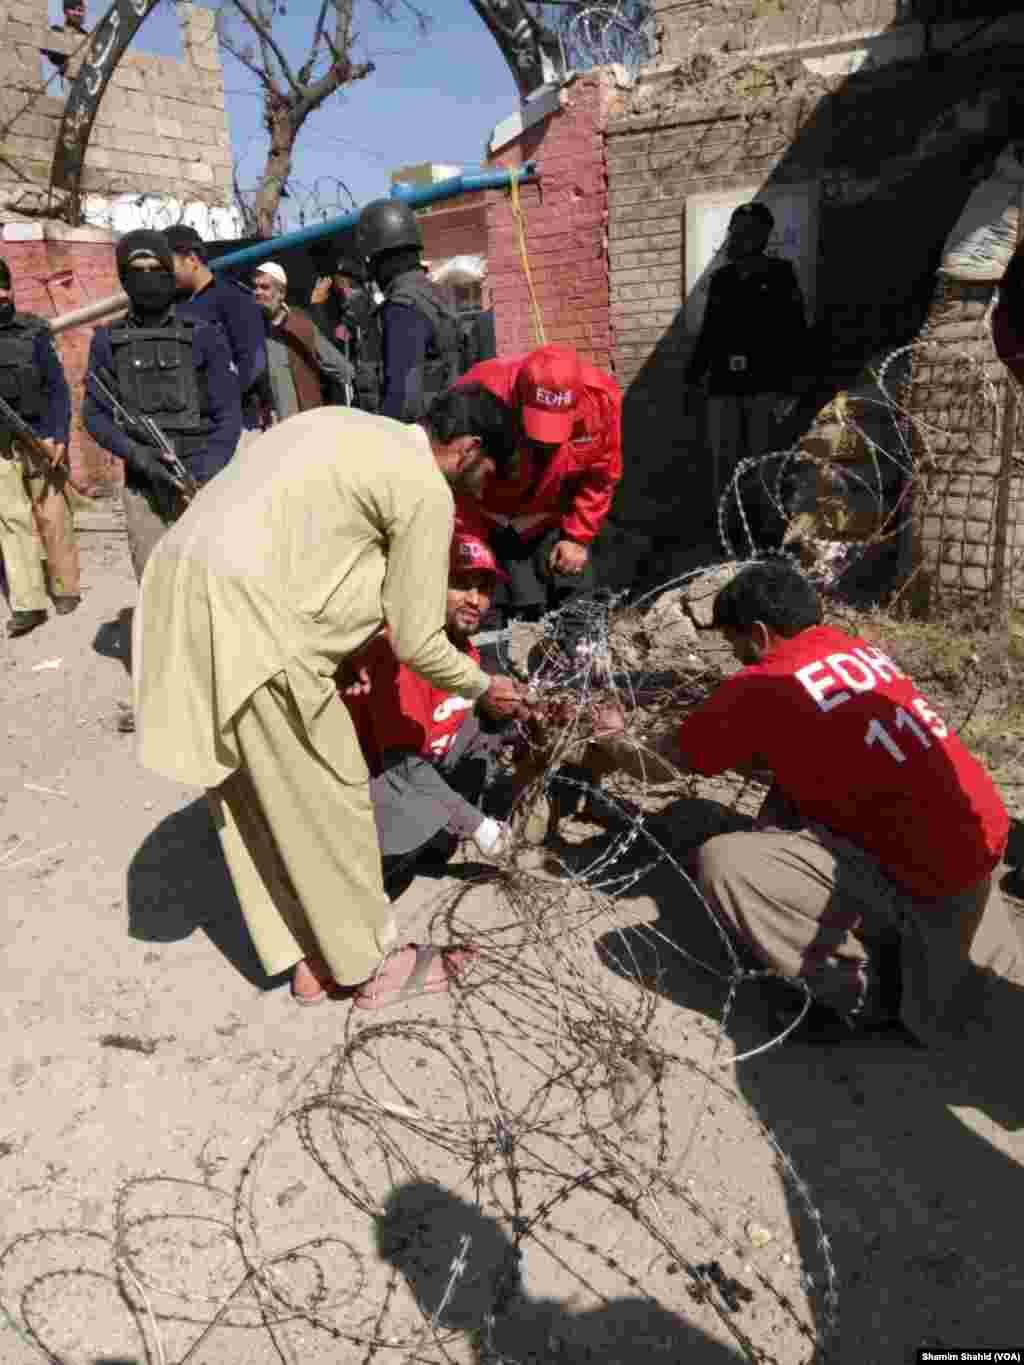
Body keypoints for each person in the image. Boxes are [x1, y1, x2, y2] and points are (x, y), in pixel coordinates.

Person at [133, 386, 528, 1010]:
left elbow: (311, 541)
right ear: (469, 449)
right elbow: (419, 639)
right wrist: (485, 685)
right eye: (486, 475)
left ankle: (312, 957)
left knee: (257, 798)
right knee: (332, 791)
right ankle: (368, 965)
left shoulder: (341, 423)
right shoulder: (425, 486)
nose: (482, 491)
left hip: (176, 592)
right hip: (252, 618)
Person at [592, 560, 1021, 1049]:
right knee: (787, 794)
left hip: (918, 875)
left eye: (738, 648)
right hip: (974, 847)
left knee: (726, 864)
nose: (738, 662)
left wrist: (614, 738)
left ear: (758, 632)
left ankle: (868, 991)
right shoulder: (858, 651)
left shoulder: (766, 683)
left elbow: (663, 764)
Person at [82, 229, 241, 731]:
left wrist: (206, 470)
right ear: (123, 277)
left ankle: (227, 688)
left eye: (157, 271)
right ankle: (166, 696)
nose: (148, 281)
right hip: (143, 487)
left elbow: (227, 414)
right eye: (137, 272)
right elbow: (95, 413)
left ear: (171, 274)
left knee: (212, 588)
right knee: (157, 592)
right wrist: (138, 456)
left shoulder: (203, 333)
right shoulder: (107, 341)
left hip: (200, 481)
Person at [344, 531, 514, 886]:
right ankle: (367, 868)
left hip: (418, 763)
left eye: (483, 589)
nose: (474, 599)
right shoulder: (401, 652)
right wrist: (476, 824)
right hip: (370, 776)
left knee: (489, 722)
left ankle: (433, 828)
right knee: (396, 859)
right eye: (461, 584)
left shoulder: (464, 652)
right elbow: (401, 764)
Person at [456, 343, 623, 652]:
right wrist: (470, 539)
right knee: (479, 600)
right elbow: (452, 473)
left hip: (547, 515)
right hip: (486, 515)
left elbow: (601, 476)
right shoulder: (479, 392)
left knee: (575, 587)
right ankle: (480, 678)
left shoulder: (601, 402)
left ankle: (575, 671)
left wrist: (578, 536)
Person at [684, 202, 810, 527]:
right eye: (733, 230)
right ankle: (728, 529)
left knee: (763, 462)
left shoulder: (780, 274)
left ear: (761, 236)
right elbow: (709, 332)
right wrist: (693, 378)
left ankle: (765, 531)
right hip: (724, 387)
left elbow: (795, 331)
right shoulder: (721, 279)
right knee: (724, 465)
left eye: (744, 231)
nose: (735, 237)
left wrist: (794, 387)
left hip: (765, 386)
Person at [0, 256, 78, 638]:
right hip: (0, 445)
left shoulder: (33, 332)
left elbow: (58, 389)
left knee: (52, 514)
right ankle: (28, 603)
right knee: (12, 521)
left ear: (10, 289)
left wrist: (58, 435)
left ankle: (66, 588)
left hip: (40, 437)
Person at [357, 199, 460, 422]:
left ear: (378, 258)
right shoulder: (436, 296)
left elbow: (403, 400)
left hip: (411, 442)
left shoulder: (402, 308)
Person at [165, 223, 268, 445]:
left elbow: (253, 361)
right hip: (191, 429)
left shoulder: (232, 298)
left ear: (191, 259)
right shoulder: (176, 306)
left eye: (169, 263)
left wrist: (221, 404)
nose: (165, 273)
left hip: (233, 425)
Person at [251, 262, 355, 421]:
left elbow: (341, 368)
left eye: (265, 287)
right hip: (272, 429)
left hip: (305, 425)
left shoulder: (301, 325)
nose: (257, 292)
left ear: (281, 293)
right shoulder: (251, 330)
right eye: (256, 287)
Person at [308, 254, 382, 413]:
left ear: (343, 279)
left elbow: (333, 341)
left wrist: (317, 305)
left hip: (366, 386)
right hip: (371, 382)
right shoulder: (364, 301)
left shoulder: (356, 302)